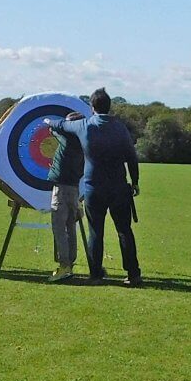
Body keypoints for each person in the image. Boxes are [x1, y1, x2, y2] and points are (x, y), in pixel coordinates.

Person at [45, 88, 141, 286]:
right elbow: (131, 156)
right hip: (119, 188)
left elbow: (61, 125)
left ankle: (96, 275)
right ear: (109, 106)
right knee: (124, 230)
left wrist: (48, 122)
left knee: (96, 231)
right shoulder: (120, 128)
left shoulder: (85, 125)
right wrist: (136, 182)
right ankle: (133, 274)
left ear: (92, 107)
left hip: (94, 189)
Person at [47, 111, 85, 283]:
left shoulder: (68, 137)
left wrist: (49, 122)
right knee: (70, 226)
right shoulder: (84, 140)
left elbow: (54, 127)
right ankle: (70, 264)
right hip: (74, 189)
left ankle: (64, 266)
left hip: (61, 189)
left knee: (59, 227)